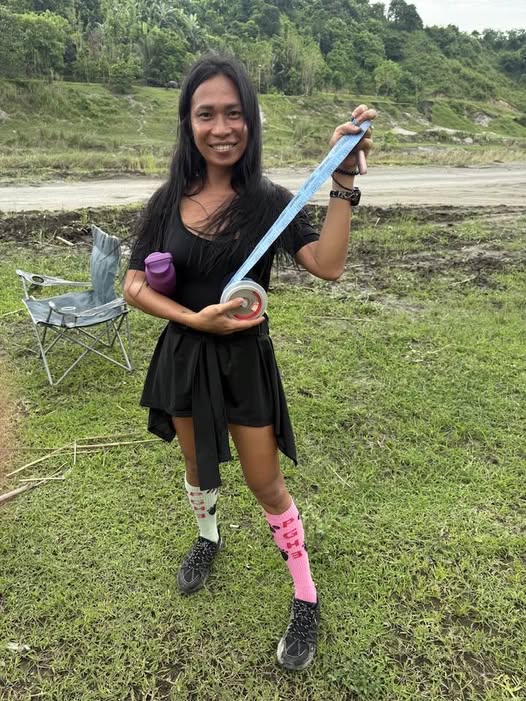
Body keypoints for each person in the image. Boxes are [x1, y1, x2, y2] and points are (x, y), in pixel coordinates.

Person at [124, 54, 376, 672]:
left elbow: (328, 265)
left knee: (265, 483)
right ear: (188, 123)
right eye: (205, 114)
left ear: (251, 121)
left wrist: (343, 178)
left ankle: (305, 595)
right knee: (198, 467)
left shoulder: (269, 203)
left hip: (244, 363)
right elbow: (133, 285)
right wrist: (193, 319)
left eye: (233, 113)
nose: (221, 128)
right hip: (185, 357)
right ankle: (208, 537)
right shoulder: (167, 201)